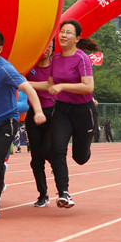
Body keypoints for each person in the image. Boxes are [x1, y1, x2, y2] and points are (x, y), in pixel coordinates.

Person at [0, 27, 45, 220]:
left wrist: (37, 111)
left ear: (0, 49)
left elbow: (28, 89)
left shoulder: (6, 69)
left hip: (5, 122)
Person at [48, 19, 100, 209]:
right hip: (62, 109)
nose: (63, 35)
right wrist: (21, 84)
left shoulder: (81, 58)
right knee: (57, 150)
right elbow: (50, 85)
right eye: (61, 31)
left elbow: (88, 86)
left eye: (68, 32)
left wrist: (62, 86)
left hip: (83, 111)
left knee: (80, 158)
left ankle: (86, 146)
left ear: (77, 38)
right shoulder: (56, 59)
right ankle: (64, 193)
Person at [24, 43, 57, 208]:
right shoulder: (30, 67)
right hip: (34, 114)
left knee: (48, 150)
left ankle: (61, 183)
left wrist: (28, 85)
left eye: (51, 46)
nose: (47, 49)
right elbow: (19, 82)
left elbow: (50, 86)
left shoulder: (56, 66)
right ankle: (43, 194)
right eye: (45, 45)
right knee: (36, 159)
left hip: (53, 114)